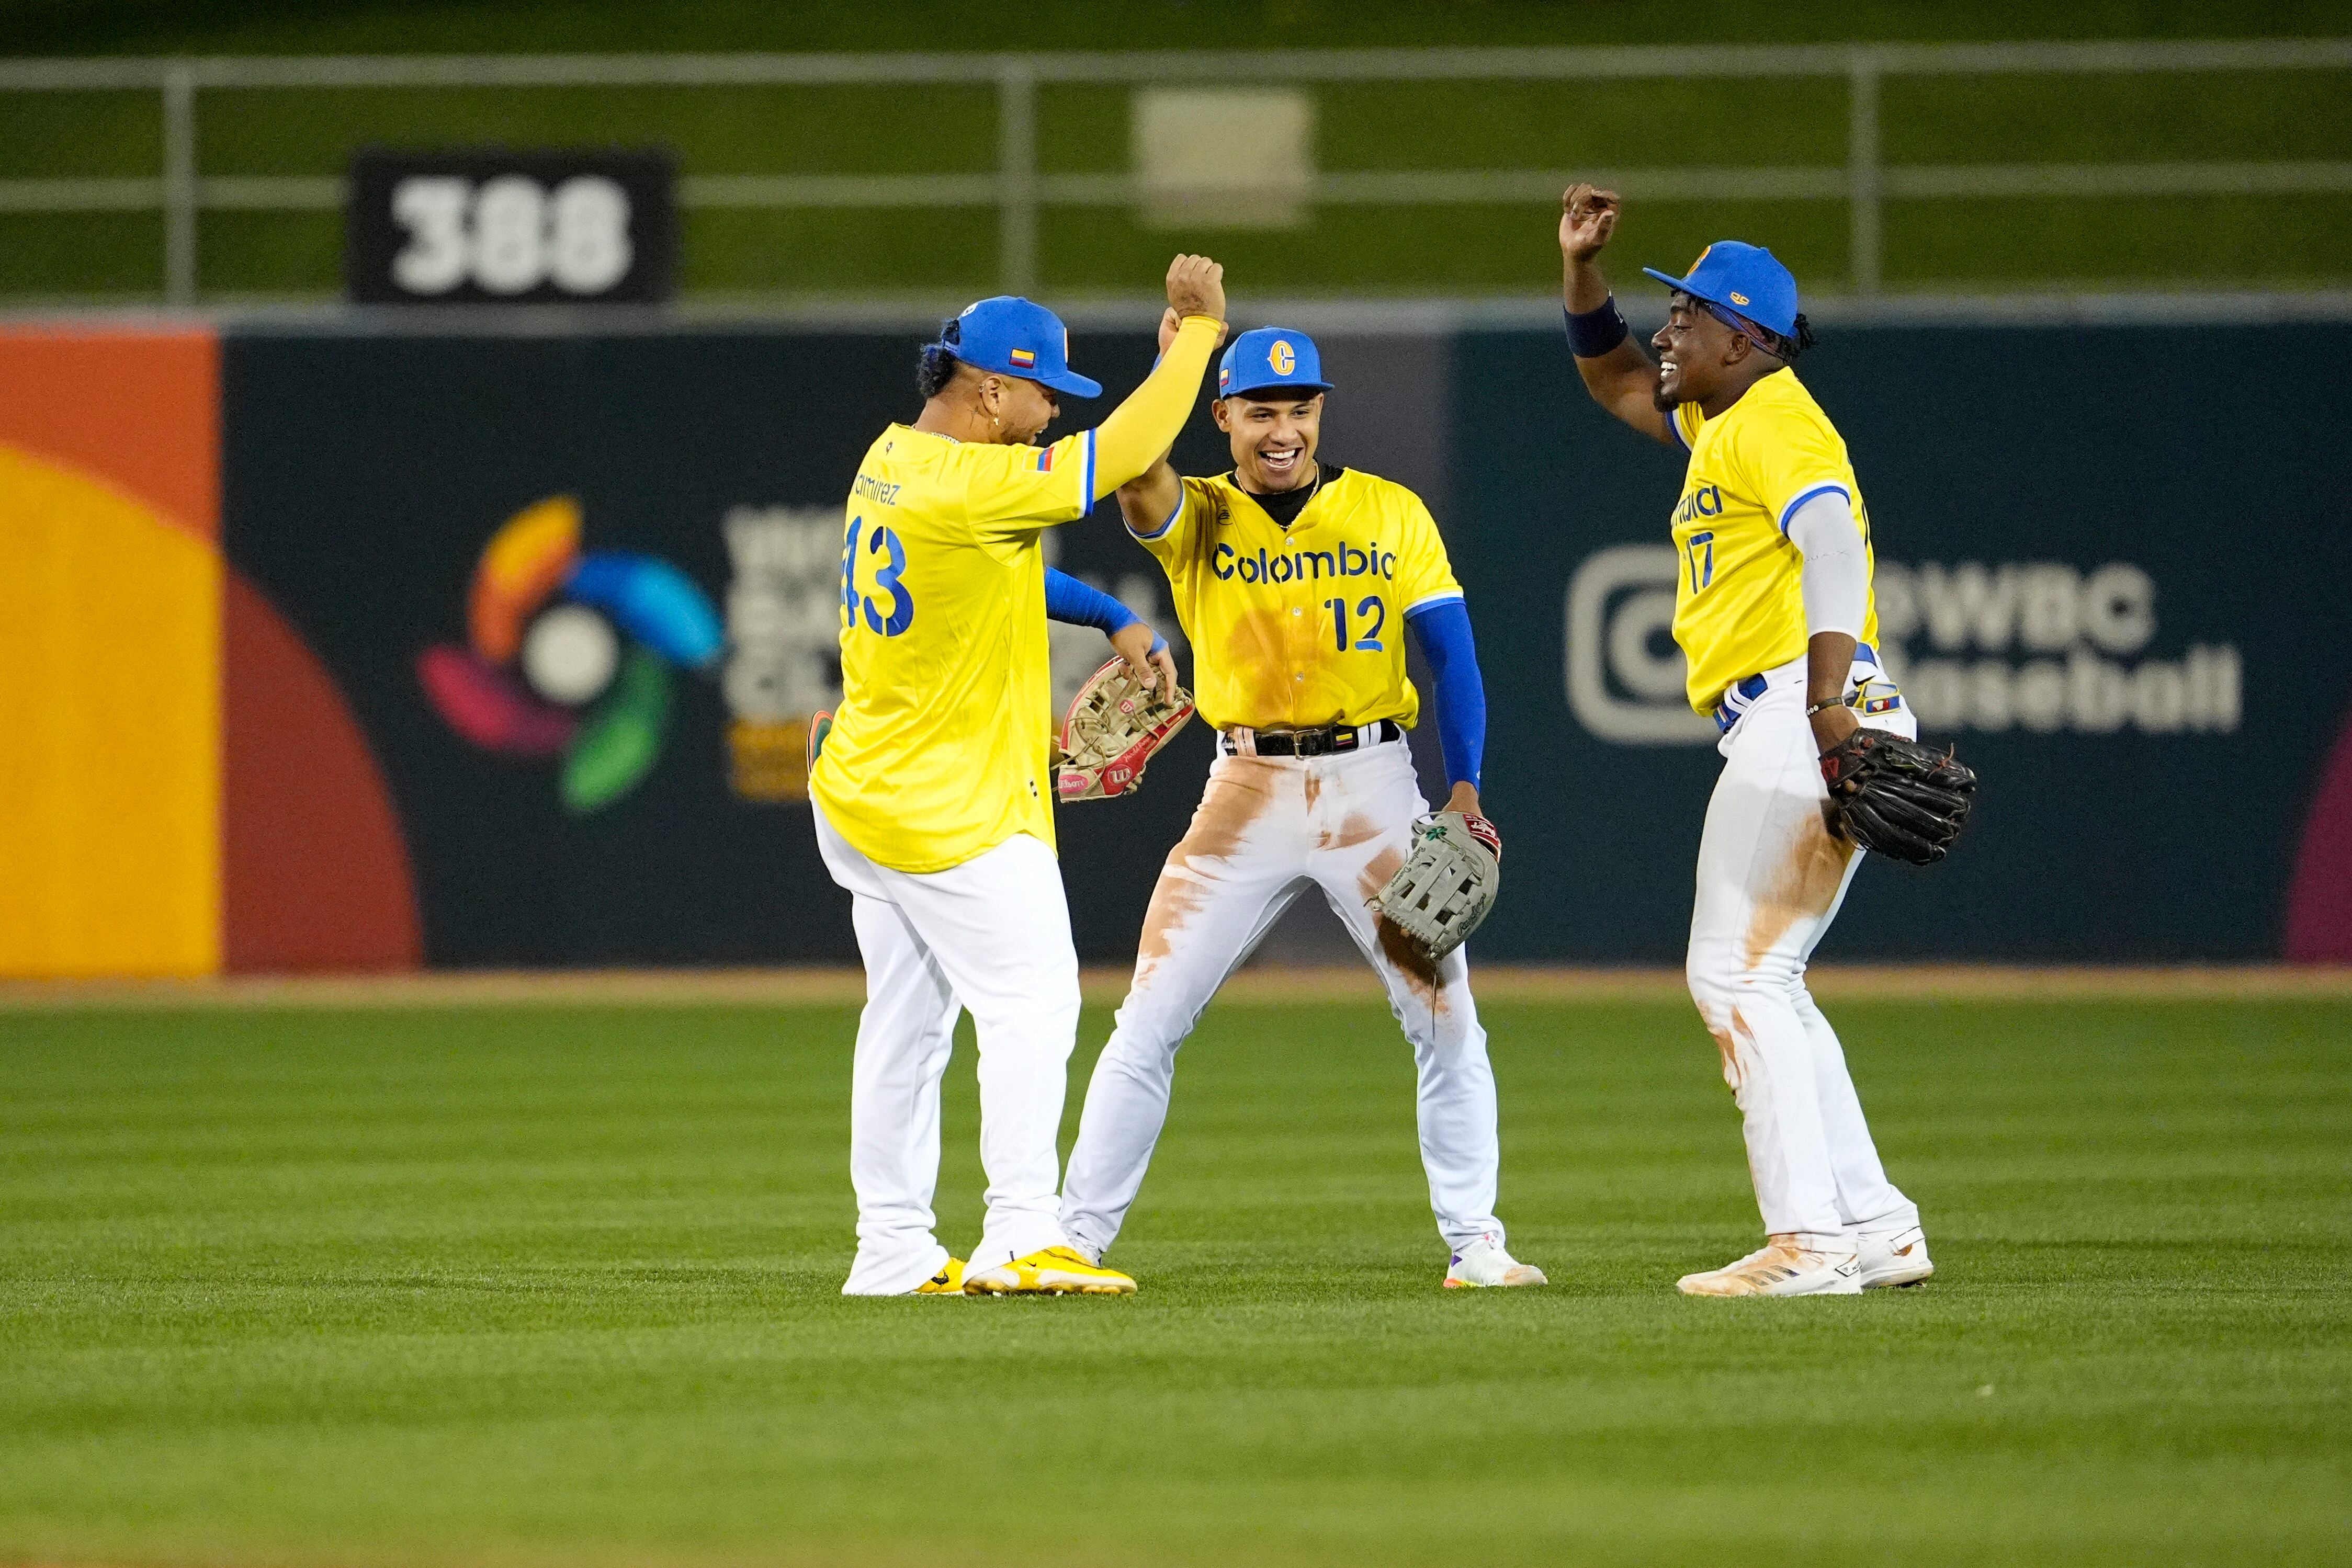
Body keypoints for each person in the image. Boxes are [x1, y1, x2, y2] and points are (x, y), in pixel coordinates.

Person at [1058, 323, 1546, 1291]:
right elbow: (1126, 459)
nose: (1282, 429)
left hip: (1374, 787)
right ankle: (1072, 1239)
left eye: (1300, 408)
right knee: (1148, 1016)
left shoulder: (1389, 511)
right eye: (1260, 410)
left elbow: (1453, 657)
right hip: (1243, 793)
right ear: (1224, 417)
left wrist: (1464, 790)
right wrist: (1179, 349)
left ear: (1319, 411)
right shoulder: (1192, 511)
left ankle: (1475, 1241)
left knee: (1447, 1017)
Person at [808, 257, 1225, 1297]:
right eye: (1044, 393)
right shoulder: (970, 482)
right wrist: (1201, 341)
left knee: (905, 1021)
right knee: (1033, 999)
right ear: (989, 385)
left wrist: (1111, 615)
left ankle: (892, 1246)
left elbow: (1001, 565)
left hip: (863, 790)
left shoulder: (899, 461)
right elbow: (1123, 451)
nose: (1051, 414)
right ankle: (1020, 1233)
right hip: (946, 806)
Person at [1556, 183, 1932, 1297]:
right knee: (1774, 976)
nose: (1665, 328)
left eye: (1687, 313)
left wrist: (1823, 708)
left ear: (1748, 338)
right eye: (1667, 308)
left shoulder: (1775, 419)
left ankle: (1809, 1245)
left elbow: (1832, 545)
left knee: (1730, 971)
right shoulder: (1722, 416)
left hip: (1801, 705)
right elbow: (1615, 377)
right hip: (1798, 708)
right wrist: (1582, 272)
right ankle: (1875, 1223)